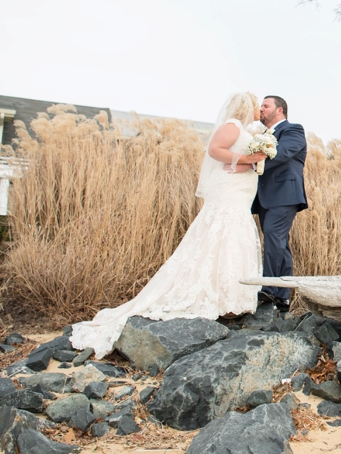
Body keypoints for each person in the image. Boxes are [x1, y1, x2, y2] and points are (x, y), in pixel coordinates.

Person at [69, 92, 266, 358]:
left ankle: (231, 297)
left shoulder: (245, 130)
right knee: (223, 233)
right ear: (246, 106)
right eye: (257, 104)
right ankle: (220, 297)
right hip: (228, 191)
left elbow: (241, 157)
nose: (259, 109)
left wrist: (253, 160)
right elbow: (215, 151)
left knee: (232, 235)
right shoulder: (232, 125)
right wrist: (248, 159)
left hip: (240, 192)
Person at [252, 95, 308, 311]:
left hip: (285, 194)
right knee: (280, 244)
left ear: (279, 110)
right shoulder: (261, 136)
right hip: (266, 196)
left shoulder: (293, 130)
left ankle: (268, 290)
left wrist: (249, 160)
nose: (261, 109)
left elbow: (281, 153)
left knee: (274, 236)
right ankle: (283, 297)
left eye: (265, 106)